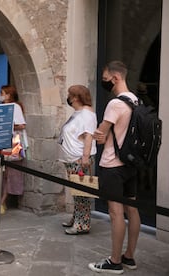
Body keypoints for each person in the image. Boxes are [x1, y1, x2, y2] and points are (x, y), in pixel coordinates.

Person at [89, 61, 140, 273]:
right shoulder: (136, 100)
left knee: (116, 212)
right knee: (133, 209)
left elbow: (100, 137)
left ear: (115, 77)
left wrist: (101, 132)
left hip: (112, 164)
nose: (104, 82)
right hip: (131, 164)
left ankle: (115, 261)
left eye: (105, 78)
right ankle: (129, 257)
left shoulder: (115, 104)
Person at [58, 85, 97, 235]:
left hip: (79, 160)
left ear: (75, 97)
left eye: (69, 94)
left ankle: (82, 224)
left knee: (81, 193)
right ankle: (77, 218)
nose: (67, 96)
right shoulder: (78, 113)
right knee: (76, 192)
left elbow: (88, 135)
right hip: (71, 158)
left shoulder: (87, 114)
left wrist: (85, 157)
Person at [0, 85, 27, 214]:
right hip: (5, 141)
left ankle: (3, 201)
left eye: (3, 93)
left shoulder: (15, 107)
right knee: (4, 173)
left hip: (13, 142)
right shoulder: (3, 106)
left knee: (10, 174)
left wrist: (9, 124)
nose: (1, 95)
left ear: (9, 95)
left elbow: (21, 125)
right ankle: (1, 200)